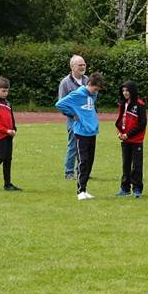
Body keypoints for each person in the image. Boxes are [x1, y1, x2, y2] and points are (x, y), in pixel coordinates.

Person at [55, 72, 103, 200]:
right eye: (95, 89)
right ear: (89, 84)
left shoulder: (93, 95)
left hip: (92, 131)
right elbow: (59, 104)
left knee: (90, 162)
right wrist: (72, 114)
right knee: (83, 161)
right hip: (81, 133)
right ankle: (80, 191)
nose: (96, 92)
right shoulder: (77, 94)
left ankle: (85, 189)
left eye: (98, 90)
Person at [114, 81, 147, 198]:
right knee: (125, 165)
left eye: (127, 90)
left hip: (136, 140)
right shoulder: (122, 104)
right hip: (125, 140)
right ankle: (125, 188)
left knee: (137, 166)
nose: (125, 93)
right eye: (123, 91)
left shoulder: (140, 104)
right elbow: (119, 121)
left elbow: (142, 124)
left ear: (132, 91)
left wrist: (128, 134)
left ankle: (137, 189)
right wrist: (119, 132)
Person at [57, 55, 87, 180]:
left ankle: (82, 171)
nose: (83, 67)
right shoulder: (65, 83)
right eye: (80, 65)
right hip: (73, 120)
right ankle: (69, 172)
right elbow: (61, 104)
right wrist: (73, 114)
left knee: (85, 146)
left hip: (86, 120)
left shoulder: (87, 80)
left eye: (84, 64)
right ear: (72, 67)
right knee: (73, 145)